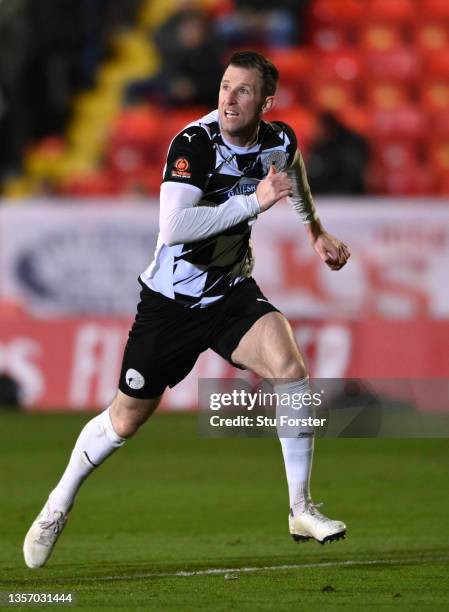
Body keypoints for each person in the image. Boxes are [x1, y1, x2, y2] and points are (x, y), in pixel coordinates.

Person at [23, 51, 350, 569]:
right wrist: (254, 203)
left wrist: (314, 231)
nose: (228, 98)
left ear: (266, 102)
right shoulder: (193, 144)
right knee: (125, 420)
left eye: (243, 91)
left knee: (291, 368)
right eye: (224, 87)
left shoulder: (278, 140)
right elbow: (175, 229)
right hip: (172, 302)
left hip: (230, 291)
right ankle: (57, 504)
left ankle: (300, 507)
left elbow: (294, 173)